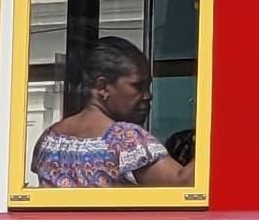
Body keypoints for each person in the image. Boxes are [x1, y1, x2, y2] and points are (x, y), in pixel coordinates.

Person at [30, 35, 187, 189]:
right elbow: (183, 186)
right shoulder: (126, 139)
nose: (147, 96)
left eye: (148, 87)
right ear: (102, 87)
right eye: (138, 86)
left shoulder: (49, 138)